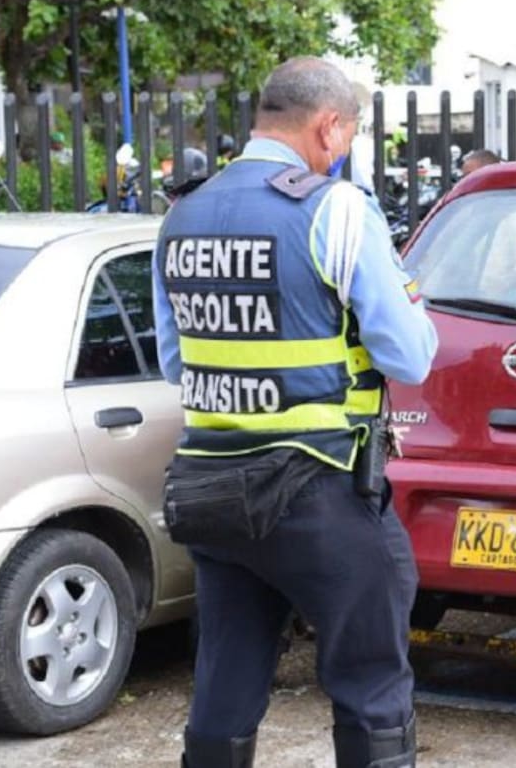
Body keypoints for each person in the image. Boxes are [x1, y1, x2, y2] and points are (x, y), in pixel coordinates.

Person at [152, 56, 438, 768]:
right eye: (347, 134)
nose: (342, 149)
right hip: (322, 491)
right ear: (328, 125)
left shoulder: (181, 213)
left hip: (211, 491)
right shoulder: (334, 208)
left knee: (225, 683)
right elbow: (410, 356)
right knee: (372, 684)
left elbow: (175, 363)